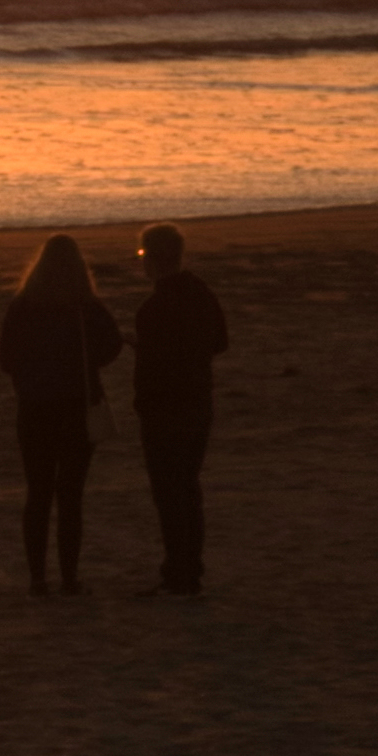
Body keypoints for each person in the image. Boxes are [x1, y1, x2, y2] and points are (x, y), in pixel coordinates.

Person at [0, 234, 125, 596]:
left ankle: (38, 577)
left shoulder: (23, 306)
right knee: (71, 495)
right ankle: (69, 577)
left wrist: (31, 373)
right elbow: (112, 347)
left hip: (35, 408)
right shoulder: (86, 307)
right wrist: (85, 362)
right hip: (77, 408)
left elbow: (6, 360)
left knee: (38, 493)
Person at [129, 221, 232, 596]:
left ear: (152, 260)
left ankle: (179, 572)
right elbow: (220, 343)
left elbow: (151, 369)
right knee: (188, 489)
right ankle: (190, 568)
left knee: (170, 494)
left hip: (165, 410)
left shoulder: (153, 307)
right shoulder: (201, 294)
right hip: (198, 403)